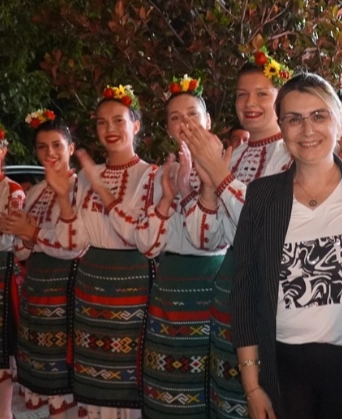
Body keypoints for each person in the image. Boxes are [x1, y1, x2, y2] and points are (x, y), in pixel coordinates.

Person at [231, 72, 342, 419]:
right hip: (284, 364)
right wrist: (252, 387)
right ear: (281, 127)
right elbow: (245, 294)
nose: (307, 130)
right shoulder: (262, 196)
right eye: (294, 119)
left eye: (318, 116)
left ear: (338, 121)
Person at [180, 49, 293, 419]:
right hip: (229, 285)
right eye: (242, 94)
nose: (250, 103)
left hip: (273, 286)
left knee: (271, 394)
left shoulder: (291, 153)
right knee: (228, 398)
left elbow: (269, 224)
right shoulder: (236, 152)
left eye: (262, 93)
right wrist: (208, 186)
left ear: (280, 97)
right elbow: (208, 240)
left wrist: (219, 174)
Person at [51, 84, 156, 418]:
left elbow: (139, 236)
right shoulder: (86, 176)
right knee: (92, 388)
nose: (109, 129)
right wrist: (64, 198)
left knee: (129, 384)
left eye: (118, 121)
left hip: (133, 289)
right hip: (91, 286)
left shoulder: (151, 176)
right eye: (101, 122)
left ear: (135, 125)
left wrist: (100, 188)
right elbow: (75, 243)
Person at [136, 75, 226, 419]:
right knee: (167, 383)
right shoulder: (162, 174)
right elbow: (147, 245)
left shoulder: (226, 167)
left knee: (210, 382)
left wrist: (190, 187)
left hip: (212, 283)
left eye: (192, 114)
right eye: (175, 117)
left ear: (208, 120)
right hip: (170, 284)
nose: (184, 123)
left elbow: (209, 237)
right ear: (167, 127)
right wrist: (169, 194)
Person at [5, 111, 83, 419]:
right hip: (37, 295)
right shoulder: (36, 191)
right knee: (47, 386)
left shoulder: (82, 188)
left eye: (56, 145)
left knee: (68, 385)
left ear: (70, 148)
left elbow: (73, 245)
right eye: (42, 147)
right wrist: (25, 236)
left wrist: (32, 233)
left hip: (67, 292)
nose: (49, 153)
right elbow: (21, 250)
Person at [0, 121, 25, 419]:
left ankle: (5, 413)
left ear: (3, 151)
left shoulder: (13, 190)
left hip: (2, 269)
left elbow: (8, 232)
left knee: (2, 351)